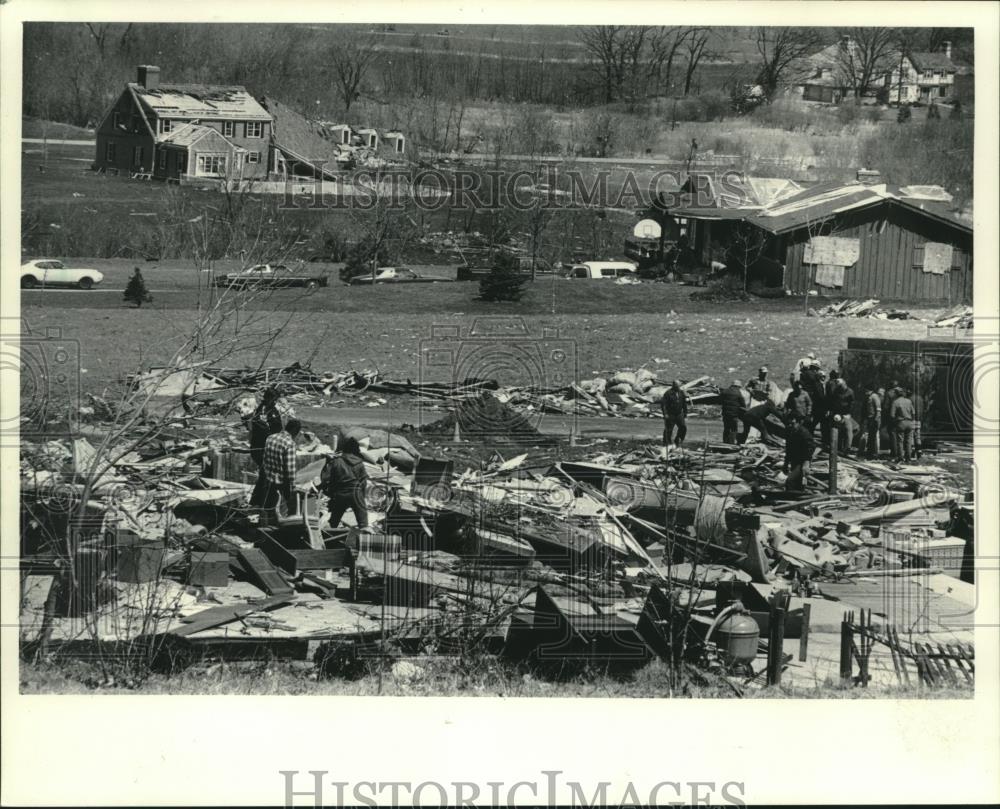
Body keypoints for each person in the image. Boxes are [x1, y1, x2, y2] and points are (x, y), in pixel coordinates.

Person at [247, 388, 283, 507]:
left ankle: (257, 501)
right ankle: (262, 502)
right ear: (268, 398)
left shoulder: (272, 410)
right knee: (266, 475)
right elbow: (262, 429)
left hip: (269, 446)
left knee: (265, 475)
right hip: (261, 448)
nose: (274, 402)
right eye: (273, 399)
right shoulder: (262, 411)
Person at [325, 436, 370, 529]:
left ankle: (331, 539)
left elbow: (331, 481)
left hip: (341, 493)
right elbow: (364, 482)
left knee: (334, 521)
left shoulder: (336, 461)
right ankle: (364, 540)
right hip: (356, 493)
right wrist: (362, 497)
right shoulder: (360, 463)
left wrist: (332, 495)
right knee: (363, 523)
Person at [262, 417, 301, 519]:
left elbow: (265, 459)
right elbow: (290, 470)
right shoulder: (290, 444)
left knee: (268, 507)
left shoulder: (270, 438)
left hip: (268, 479)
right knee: (282, 512)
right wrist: (293, 487)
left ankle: (266, 524)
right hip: (281, 484)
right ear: (295, 431)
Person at [783, 415, 815, 492]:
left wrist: (806, 463)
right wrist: (786, 463)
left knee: (790, 481)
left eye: (793, 424)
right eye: (789, 423)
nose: (790, 425)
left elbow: (810, 448)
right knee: (797, 482)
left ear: (799, 423)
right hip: (794, 460)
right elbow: (788, 449)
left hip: (802, 461)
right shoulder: (789, 431)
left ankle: (792, 498)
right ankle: (797, 496)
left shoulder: (804, 433)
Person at [829, 376, 856, 456]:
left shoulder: (850, 392)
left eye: (841, 386)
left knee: (848, 431)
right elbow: (833, 401)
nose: (840, 387)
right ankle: (839, 448)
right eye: (839, 386)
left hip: (846, 414)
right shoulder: (836, 391)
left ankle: (847, 448)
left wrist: (849, 413)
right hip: (837, 414)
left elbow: (852, 403)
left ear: (844, 384)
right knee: (838, 431)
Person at [661, 379, 689, 450]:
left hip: (679, 414)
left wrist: (685, 413)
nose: (678, 387)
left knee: (683, 427)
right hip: (671, 414)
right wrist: (665, 414)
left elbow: (684, 403)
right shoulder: (668, 393)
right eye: (676, 385)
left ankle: (678, 440)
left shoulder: (681, 393)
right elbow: (663, 405)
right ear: (673, 385)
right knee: (669, 430)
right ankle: (667, 443)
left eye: (679, 385)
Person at [890, 388, 916, 463]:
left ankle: (900, 457)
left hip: (901, 422)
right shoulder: (909, 401)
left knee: (900, 441)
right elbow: (913, 412)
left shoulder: (895, 402)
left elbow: (892, 415)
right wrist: (912, 420)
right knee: (908, 441)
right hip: (909, 422)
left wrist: (895, 422)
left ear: (896, 394)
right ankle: (908, 458)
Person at [799, 362, 825, 431]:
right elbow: (817, 388)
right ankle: (809, 431)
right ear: (816, 368)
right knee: (815, 415)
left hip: (803, 396)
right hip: (812, 397)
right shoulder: (814, 375)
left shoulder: (803, 374)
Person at [719, 379, 746, 444]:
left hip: (725, 414)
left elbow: (720, 400)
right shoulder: (738, 393)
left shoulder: (724, 391)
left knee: (726, 428)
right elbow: (743, 404)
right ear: (737, 386)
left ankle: (725, 442)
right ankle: (731, 443)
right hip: (734, 414)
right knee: (734, 429)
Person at [859, 386, 881, 459]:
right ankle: (870, 452)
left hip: (874, 419)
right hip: (870, 419)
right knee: (871, 437)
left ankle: (873, 454)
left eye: (866, 390)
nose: (865, 392)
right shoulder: (869, 397)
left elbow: (878, 410)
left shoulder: (874, 397)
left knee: (873, 437)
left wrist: (876, 420)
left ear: (870, 390)